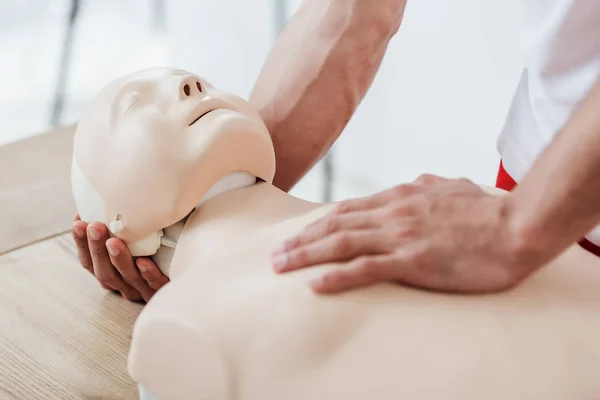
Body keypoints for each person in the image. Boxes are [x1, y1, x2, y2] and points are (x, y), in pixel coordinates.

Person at [72, 0, 600, 301]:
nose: (190, 85)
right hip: (550, 175)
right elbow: (355, 10)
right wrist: (218, 219)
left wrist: (521, 228)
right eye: (139, 106)